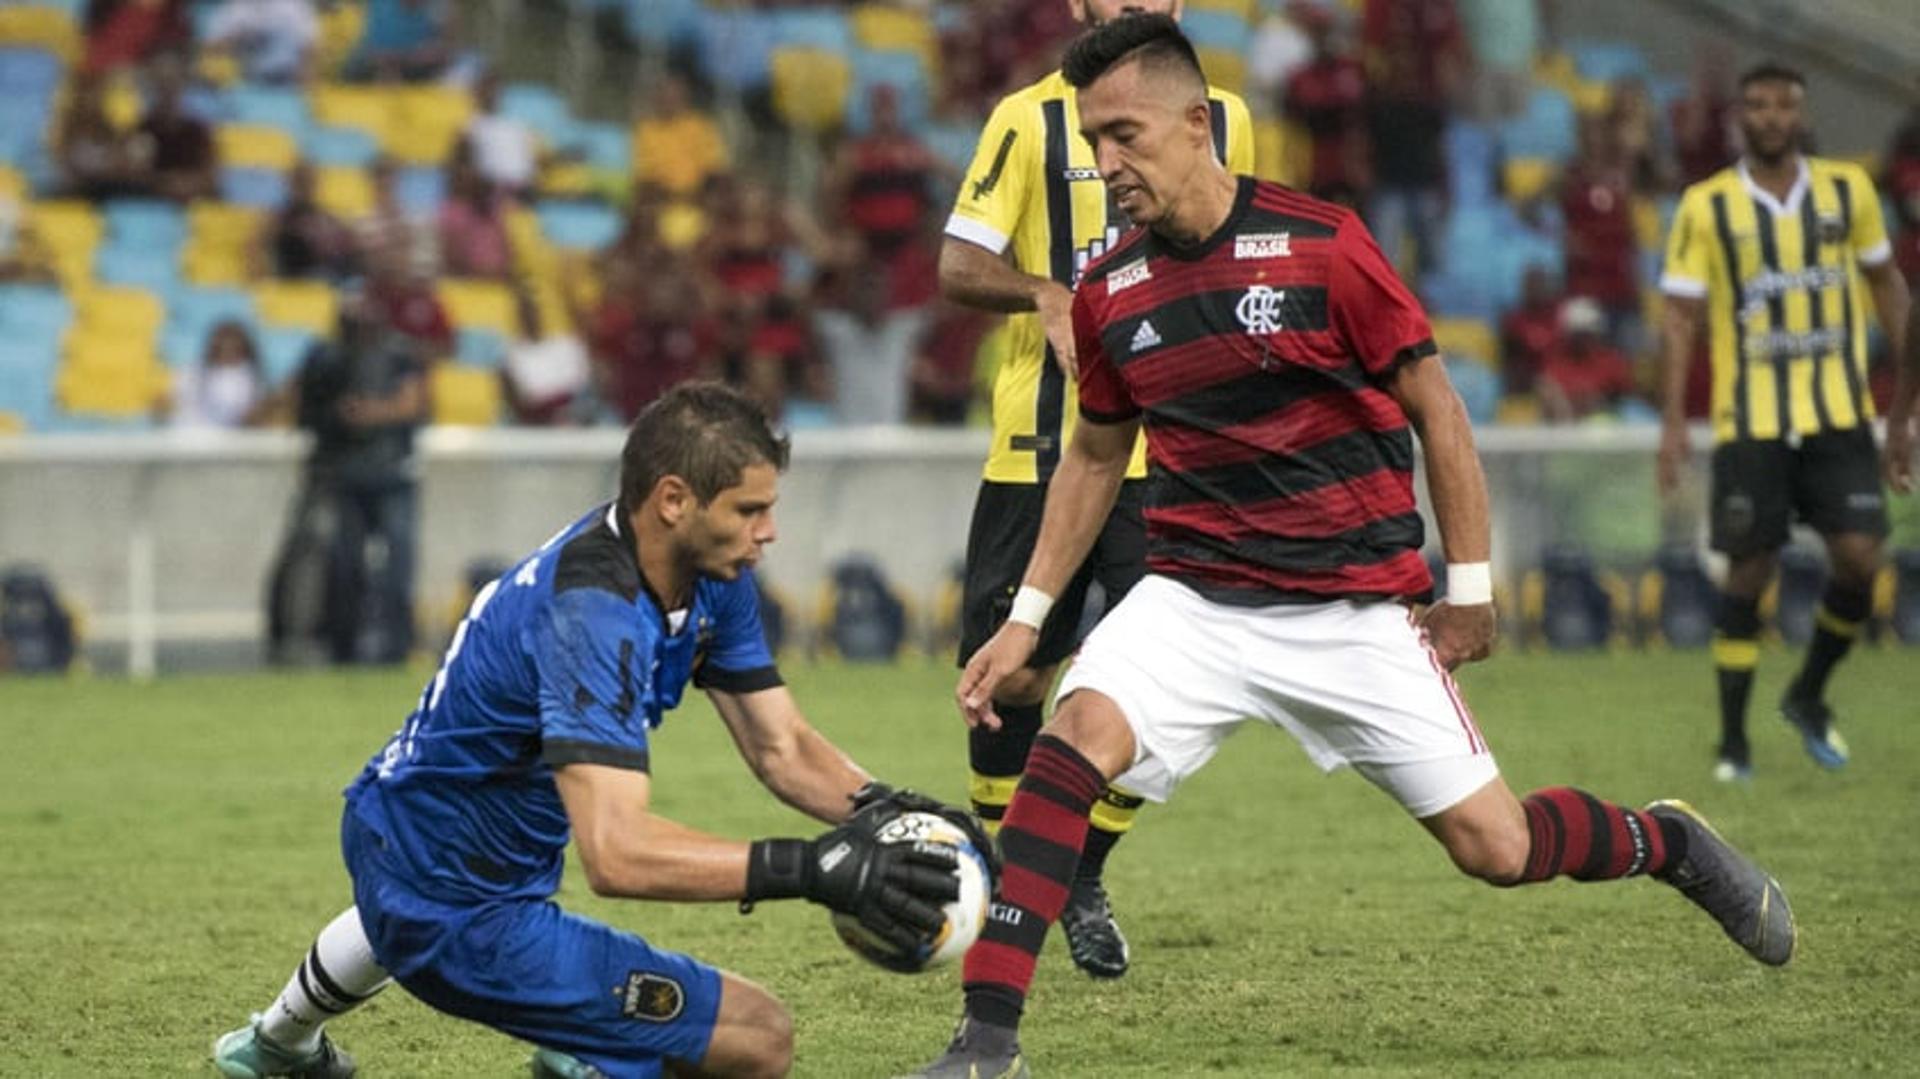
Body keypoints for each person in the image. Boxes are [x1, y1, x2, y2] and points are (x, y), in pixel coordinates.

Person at [911, 19, 1797, 1078]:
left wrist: (1469, 589)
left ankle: (1674, 842)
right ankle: (984, 1046)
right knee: (1063, 752)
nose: (1106, 164)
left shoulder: (1323, 244)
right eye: (1094, 141)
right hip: (1192, 599)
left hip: (1350, 612)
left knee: (1499, 847)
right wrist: (1024, 625)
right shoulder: (1110, 286)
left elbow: (1438, 409)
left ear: (1199, 126)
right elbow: (1096, 458)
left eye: (1125, 135)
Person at [217, 382, 987, 1079]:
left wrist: (889, 811)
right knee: (758, 1037)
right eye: (750, 510)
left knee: (579, 1005)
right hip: (459, 907)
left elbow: (780, 744)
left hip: (410, 832)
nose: (769, 532)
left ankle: (280, 1045)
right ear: (675, 500)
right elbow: (616, 852)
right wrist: (814, 869)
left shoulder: (709, 576)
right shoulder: (591, 615)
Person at [939, 0, 1255, 982]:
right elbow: (957, 263)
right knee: (1010, 685)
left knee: (1180, 687)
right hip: (1045, 452)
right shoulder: (1029, 119)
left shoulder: (1227, 119)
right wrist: (1044, 293)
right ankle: (1010, 873)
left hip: (1182, 454)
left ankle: (1073, 873)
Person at [1656, 61, 1911, 782]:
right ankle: (1734, 740)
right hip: (1751, 419)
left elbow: (1887, 285)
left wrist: (1905, 401)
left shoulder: (1847, 189)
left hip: (1839, 412)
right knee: (1749, 572)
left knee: (1862, 559)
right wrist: (1674, 420)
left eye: (1784, 105)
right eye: (1759, 105)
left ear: (1801, 115)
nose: (1771, 117)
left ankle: (1807, 692)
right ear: (1741, 116)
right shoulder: (1705, 206)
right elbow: (1679, 316)